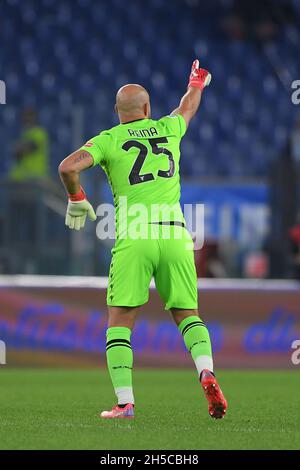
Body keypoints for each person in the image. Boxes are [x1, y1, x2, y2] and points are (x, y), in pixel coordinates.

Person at [59, 60, 227, 419]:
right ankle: (206, 372)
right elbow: (188, 105)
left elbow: (67, 167)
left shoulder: (109, 139)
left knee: (120, 321)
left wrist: (76, 199)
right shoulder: (169, 127)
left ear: (117, 112)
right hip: (176, 234)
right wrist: (196, 81)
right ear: (148, 110)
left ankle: (125, 403)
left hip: (135, 236)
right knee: (189, 316)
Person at [10, 108, 49, 181]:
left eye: (29, 117)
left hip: (36, 174)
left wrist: (19, 147)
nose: (26, 120)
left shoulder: (39, 133)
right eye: (25, 117)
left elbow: (29, 148)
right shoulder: (25, 134)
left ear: (35, 118)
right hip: (24, 174)